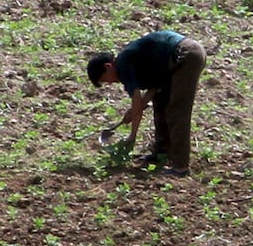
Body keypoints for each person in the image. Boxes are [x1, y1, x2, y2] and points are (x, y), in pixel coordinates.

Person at [86, 30, 207, 175]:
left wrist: (132, 136)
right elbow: (154, 89)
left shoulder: (123, 63)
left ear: (108, 67)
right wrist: (136, 109)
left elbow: (136, 99)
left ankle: (180, 167)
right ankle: (162, 154)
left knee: (177, 111)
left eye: (106, 79)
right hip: (176, 61)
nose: (111, 83)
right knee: (160, 103)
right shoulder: (132, 62)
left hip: (185, 56)